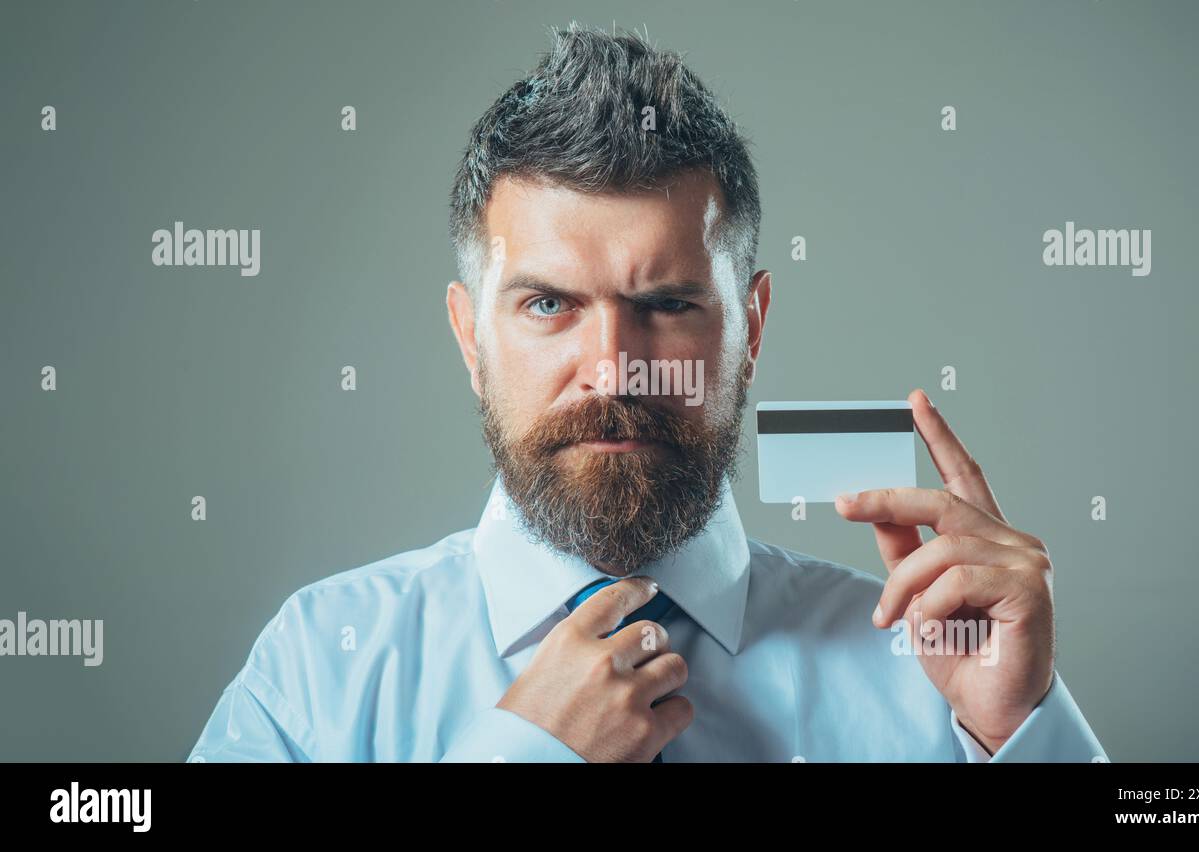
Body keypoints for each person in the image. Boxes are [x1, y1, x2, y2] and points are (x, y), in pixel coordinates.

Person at [188, 23, 1105, 763]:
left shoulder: (927, 674)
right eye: (548, 304)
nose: (616, 367)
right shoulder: (319, 668)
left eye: (665, 304)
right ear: (471, 337)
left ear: (752, 328)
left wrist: (1020, 735)